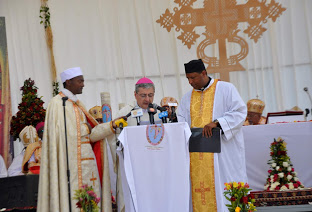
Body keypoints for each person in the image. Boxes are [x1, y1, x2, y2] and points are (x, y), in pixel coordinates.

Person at [37, 67, 113, 211]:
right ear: (68, 82)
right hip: (71, 164)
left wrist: (111, 126)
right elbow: (62, 137)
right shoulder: (58, 103)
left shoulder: (78, 104)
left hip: (88, 164)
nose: (83, 84)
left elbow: (90, 134)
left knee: (91, 200)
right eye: (80, 81)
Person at [178, 59, 247, 212]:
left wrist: (217, 123)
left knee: (224, 191)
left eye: (193, 77)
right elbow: (181, 121)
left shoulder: (226, 89)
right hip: (197, 155)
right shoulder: (186, 98)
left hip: (223, 155)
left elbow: (240, 112)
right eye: (187, 78)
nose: (190, 82)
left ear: (204, 73)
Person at [90, 77, 161, 212]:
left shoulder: (158, 113)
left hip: (154, 167)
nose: (147, 99)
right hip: (133, 166)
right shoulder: (125, 113)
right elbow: (113, 138)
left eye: (151, 95)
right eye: (143, 95)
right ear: (135, 95)